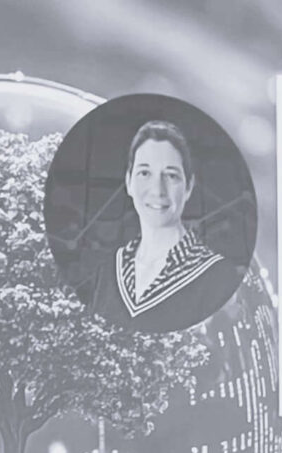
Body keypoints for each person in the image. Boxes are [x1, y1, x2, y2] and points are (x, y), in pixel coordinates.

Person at [86, 119, 233, 333]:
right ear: (129, 183)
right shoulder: (110, 269)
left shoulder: (217, 277)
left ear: (189, 187)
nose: (157, 190)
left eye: (171, 176)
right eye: (145, 173)